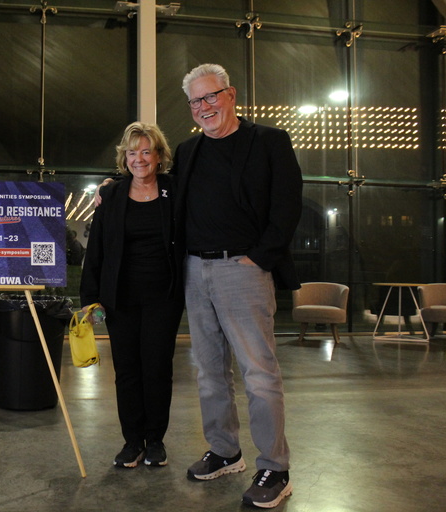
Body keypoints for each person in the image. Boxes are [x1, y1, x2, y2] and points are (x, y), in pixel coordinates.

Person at [174, 63, 302, 509]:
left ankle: (275, 466)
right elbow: (167, 195)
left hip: (242, 270)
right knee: (209, 372)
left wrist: (259, 258)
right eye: (196, 101)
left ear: (230, 95)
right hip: (195, 269)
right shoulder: (187, 150)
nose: (205, 107)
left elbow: (287, 204)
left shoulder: (268, 141)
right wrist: (114, 186)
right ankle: (225, 450)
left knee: (258, 373)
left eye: (211, 97)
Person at [80, 121, 184, 468]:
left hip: (163, 298)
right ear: (124, 158)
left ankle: (155, 441)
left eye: (146, 151)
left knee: (157, 369)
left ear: (158, 156)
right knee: (126, 371)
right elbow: (95, 251)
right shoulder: (111, 194)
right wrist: (90, 301)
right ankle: (132, 442)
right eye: (132, 152)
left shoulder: (176, 190)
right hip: (119, 300)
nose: (139, 159)